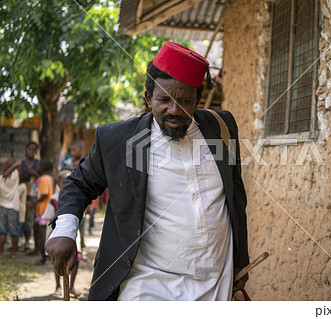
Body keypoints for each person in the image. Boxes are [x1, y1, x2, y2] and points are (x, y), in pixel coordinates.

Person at [46, 42, 249, 301]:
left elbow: (235, 197)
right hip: (147, 284)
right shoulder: (119, 140)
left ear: (198, 100)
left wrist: (241, 260)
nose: (174, 110)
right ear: (148, 98)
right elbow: (79, 183)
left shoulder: (222, 129)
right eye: (164, 100)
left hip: (214, 284)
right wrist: (64, 229)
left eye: (185, 101)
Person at [43, 170, 81, 297]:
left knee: (75, 259)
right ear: (58, 184)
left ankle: (72, 287)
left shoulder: (78, 197)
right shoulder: (54, 199)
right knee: (58, 259)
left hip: (74, 233)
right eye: (64, 182)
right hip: (57, 234)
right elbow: (49, 218)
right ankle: (58, 286)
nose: (67, 185)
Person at [32, 158, 54, 264]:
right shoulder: (46, 178)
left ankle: (44, 257)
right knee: (41, 233)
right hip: (42, 211)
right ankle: (43, 255)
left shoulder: (44, 178)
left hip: (44, 211)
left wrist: (34, 203)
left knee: (43, 234)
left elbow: (45, 194)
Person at [0, 158, 21, 259]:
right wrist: (10, 169)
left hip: (3, 206)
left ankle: (1, 253)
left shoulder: (0, 179)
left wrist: (6, 170)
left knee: (2, 232)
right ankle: (14, 253)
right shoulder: (15, 176)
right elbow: (19, 162)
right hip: (13, 207)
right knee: (14, 232)